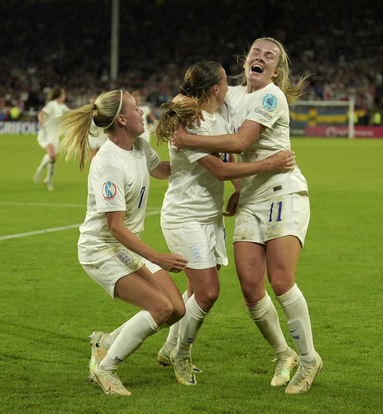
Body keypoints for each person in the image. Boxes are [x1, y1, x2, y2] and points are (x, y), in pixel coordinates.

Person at [171, 37, 323, 394]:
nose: (261, 57)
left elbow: (239, 143)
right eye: (256, 52)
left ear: (277, 69)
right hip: (252, 196)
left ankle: (309, 359)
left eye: (269, 56)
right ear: (245, 60)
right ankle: (282, 354)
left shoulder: (272, 97)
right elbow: (198, 103)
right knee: (251, 288)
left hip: (283, 190)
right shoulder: (233, 95)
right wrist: (178, 103)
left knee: (281, 280)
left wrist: (188, 141)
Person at [153, 60, 296, 386]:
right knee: (208, 291)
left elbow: (226, 159)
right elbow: (219, 169)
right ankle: (182, 354)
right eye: (224, 82)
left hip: (209, 216)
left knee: (194, 290)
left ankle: (168, 346)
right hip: (184, 216)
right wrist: (269, 163)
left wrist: (237, 190)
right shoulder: (188, 119)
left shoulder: (215, 115)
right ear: (216, 89)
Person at [58, 89, 189, 396]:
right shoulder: (107, 164)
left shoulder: (140, 146)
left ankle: (105, 342)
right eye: (135, 108)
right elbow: (115, 227)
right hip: (100, 250)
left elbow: (163, 171)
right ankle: (105, 369)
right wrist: (158, 257)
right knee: (159, 308)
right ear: (121, 119)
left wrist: (202, 156)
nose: (142, 112)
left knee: (177, 309)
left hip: (126, 246)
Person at [33, 87, 69, 191]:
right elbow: (41, 113)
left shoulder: (62, 107)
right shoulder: (51, 105)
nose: (65, 96)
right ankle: (40, 169)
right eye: (64, 94)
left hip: (55, 136)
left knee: (53, 159)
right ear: (60, 96)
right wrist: (41, 121)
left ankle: (48, 179)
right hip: (45, 134)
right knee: (52, 155)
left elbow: (71, 112)